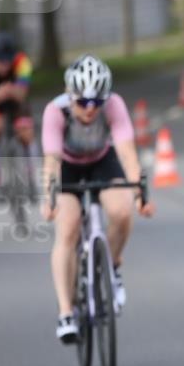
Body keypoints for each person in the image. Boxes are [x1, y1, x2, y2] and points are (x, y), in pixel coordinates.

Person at [40, 55, 154, 343]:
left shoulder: (114, 105)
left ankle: (111, 265)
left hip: (102, 160)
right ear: (70, 95)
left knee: (122, 211)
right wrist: (49, 198)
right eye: (83, 102)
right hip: (67, 166)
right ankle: (66, 312)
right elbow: (51, 160)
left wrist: (139, 194)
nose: (90, 109)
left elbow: (127, 153)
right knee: (68, 227)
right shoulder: (55, 111)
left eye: (96, 102)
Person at [0, 32, 36, 193]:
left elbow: (22, 93)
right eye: (0, 61)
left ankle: (31, 178)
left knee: (27, 134)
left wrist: (11, 91)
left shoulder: (22, 62)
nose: (5, 65)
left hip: (17, 104)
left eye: (8, 61)